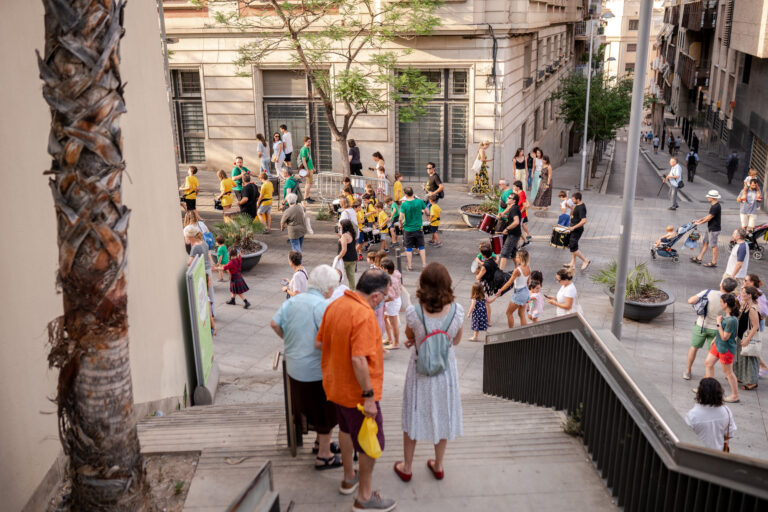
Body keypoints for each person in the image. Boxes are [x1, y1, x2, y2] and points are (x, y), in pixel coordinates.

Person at [315, 269, 395, 511]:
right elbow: (359, 359)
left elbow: (319, 343)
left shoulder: (335, 306)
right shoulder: (364, 315)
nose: (385, 301)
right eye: (385, 296)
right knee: (372, 442)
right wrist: (369, 398)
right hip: (359, 395)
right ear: (376, 296)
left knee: (347, 431)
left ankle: (349, 476)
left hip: (336, 387)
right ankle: (364, 495)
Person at [395, 263, 464, 485]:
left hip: (419, 371)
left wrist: (419, 336)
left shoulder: (414, 313)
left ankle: (406, 467)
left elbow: (409, 333)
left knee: (414, 412)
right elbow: (456, 340)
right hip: (445, 371)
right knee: (443, 412)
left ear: (422, 285)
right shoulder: (457, 312)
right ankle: (439, 464)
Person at [271, 265, 342, 470]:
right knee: (327, 412)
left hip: (294, 368)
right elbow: (329, 338)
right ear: (328, 288)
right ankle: (324, 455)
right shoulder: (323, 307)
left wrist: (289, 340)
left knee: (313, 410)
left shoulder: (294, 301)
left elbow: (274, 324)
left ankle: (322, 443)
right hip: (315, 370)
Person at [683, 278, 738, 380]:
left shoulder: (708, 292)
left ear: (721, 284)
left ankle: (687, 371)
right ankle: (706, 375)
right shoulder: (731, 300)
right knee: (710, 354)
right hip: (717, 329)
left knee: (694, 348)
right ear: (732, 289)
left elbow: (690, 300)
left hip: (701, 325)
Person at [704, 293, 740, 402]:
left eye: (721, 302)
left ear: (726, 304)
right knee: (708, 363)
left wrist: (718, 323)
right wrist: (715, 338)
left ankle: (735, 395)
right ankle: (709, 391)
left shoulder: (732, 320)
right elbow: (721, 335)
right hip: (718, 345)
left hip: (726, 349)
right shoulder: (726, 316)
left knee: (728, 373)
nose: (720, 304)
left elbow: (725, 337)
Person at [685, 378, 737, 451]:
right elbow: (729, 434)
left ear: (700, 393)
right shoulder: (726, 411)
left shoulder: (692, 415)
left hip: (697, 454)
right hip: (718, 455)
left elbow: (685, 438)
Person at [489, 249, 531, 328]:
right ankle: (524, 332)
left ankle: (511, 331)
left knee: (509, 313)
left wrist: (500, 290)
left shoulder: (517, 270)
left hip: (519, 293)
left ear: (521, 258)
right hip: (525, 291)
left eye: (517, 257)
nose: (516, 258)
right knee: (521, 314)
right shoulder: (528, 267)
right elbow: (528, 281)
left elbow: (509, 283)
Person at [184, 224, 217, 317]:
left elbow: (189, 263)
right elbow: (208, 255)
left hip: (202, 272)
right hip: (208, 270)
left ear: (189, 236)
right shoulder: (203, 243)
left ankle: (208, 314)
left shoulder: (195, 247)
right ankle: (213, 312)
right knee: (210, 293)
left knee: (204, 294)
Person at [734, 286, 761, 391]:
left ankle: (751, 382)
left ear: (749, 295)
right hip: (741, 336)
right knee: (742, 359)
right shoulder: (746, 305)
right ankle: (741, 377)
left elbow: (755, 326)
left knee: (749, 360)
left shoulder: (753, 309)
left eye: (743, 292)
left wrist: (747, 340)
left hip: (747, 337)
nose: (741, 293)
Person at [399, 187, 428, 271]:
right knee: (421, 247)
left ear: (405, 194)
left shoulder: (404, 205)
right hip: (419, 228)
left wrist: (401, 225)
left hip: (408, 230)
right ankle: (424, 265)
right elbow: (427, 212)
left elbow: (400, 218)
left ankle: (410, 266)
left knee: (408, 248)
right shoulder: (420, 201)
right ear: (413, 193)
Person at [691, 190, 722, 267]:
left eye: (709, 196)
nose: (707, 197)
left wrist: (699, 223)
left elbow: (709, 218)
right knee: (705, 243)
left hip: (714, 229)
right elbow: (708, 216)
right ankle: (699, 258)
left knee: (713, 245)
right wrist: (699, 220)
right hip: (710, 228)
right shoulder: (714, 205)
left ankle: (714, 262)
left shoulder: (716, 206)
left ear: (713, 198)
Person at [380, 258, 402, 350]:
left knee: (393, 324)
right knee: (385, 318)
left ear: (386, 269)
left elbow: (391, 297)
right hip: (395, 300)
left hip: (393, 302)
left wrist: (381, 301)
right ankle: (389, 339)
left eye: (382, 267)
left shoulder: (390, 280)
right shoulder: (396, 273)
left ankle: (396, 343)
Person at [565, 192, 590, 270]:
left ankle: (585, 260)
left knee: (573, 246)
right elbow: (574, 213)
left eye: (573, 199)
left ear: (578, 199)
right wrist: (569, 207)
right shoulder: (577, 205)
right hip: (573, 228)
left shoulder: (581, 207)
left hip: (577, 230)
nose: (572, 200)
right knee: (572, 246)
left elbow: (584, 220)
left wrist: (574, 227)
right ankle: (572, 263)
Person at [498, 192, 521, 271]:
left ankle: (500, 272)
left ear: (514, 201)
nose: (507, 198)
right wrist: (503, 214)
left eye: (509, 198)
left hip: (513, 234)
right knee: (514, 254)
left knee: (504, 253)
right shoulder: (513, 207)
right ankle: (519, 269)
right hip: (515, 233)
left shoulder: (514, 209)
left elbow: (516, 222)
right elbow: (509, 214)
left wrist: (507, 229)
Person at [336, 219, 358, 290]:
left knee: (338, 275)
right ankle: (353, 290)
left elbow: (344, 249)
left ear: (344, 227)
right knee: (351, 276)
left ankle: (337, 290)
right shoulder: (352, 233)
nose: (340, 227)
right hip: (353, 257)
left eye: (340, 226)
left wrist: (338, 258)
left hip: (345, 258)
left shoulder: (344, 236)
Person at [512, 180, 531, 246]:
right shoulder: (519, 193)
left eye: (514, 186)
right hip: (519, 214)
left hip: (521, 215)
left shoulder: (521, 194)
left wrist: (519, 213)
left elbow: (525, 206)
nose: (513, 187)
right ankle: (524, 241)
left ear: (518, 187)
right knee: (519, 227)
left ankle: (519, 244)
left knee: (518, 229)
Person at [299, 136, 316, 203]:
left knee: (309, 183)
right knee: (309, 183)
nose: (310, 142)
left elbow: (309, 159)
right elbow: (303, 160)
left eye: (310, 141)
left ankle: (307, 196)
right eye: (308, 141)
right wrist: (307, 170)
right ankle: (306, 197)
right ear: (305, 141)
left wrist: (313, 167)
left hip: (310, 168)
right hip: (308, 169)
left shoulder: (307, 149)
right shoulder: (304, 149)